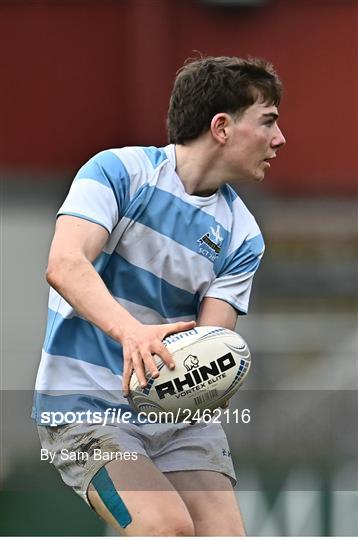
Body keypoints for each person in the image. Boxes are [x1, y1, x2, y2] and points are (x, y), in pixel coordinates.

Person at [33, 55, 286, 536]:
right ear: (222, 127)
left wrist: (217, 378)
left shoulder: (243, 234)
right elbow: (65, 264)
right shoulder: (118, 171)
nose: (280, 139)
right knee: (166, 529)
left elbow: (213, 339)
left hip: (174, 417)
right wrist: (132, 333)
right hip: (83, 408)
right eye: (268, 121)